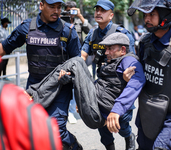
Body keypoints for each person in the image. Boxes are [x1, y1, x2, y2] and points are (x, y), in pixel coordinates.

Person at [26, 32, 146, 150]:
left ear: (123, 50)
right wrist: (78, 89)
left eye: (110, 49)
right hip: (93, 101)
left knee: (75, 63)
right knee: (76, 63)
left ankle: (33, 96)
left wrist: (117, 110)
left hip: (97, 113)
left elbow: (137, 81)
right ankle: (36, 95)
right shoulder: (114, 59)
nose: (106, 52)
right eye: (106, 49)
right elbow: (99, 84)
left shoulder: (128, 61)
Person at [0, 0, 83, 149]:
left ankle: (75, 146)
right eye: (52, 6)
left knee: (57, 131)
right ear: (41, 5)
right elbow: (5, 47)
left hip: (60, 89)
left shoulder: (68, 31)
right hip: (34, 88)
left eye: (59, 7)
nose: (56, 11)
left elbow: (78, 63)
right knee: (33, 130)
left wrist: (69, 75)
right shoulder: (26, 27)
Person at [126, 0, 171, 149]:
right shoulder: (145, 42)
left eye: (152, 14)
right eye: (145, 14)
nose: (146, 19)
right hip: (148, 109)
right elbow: (141, 72)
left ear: (166, 16)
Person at [81, 0, 136, 74]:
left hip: (118, 78)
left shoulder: (123, 34)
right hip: (101, 76)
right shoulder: (92, 34)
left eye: (103, 10)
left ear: (111, 15)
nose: (98, 13)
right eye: (97, 10)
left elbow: (132, 63)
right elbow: (82, 57)